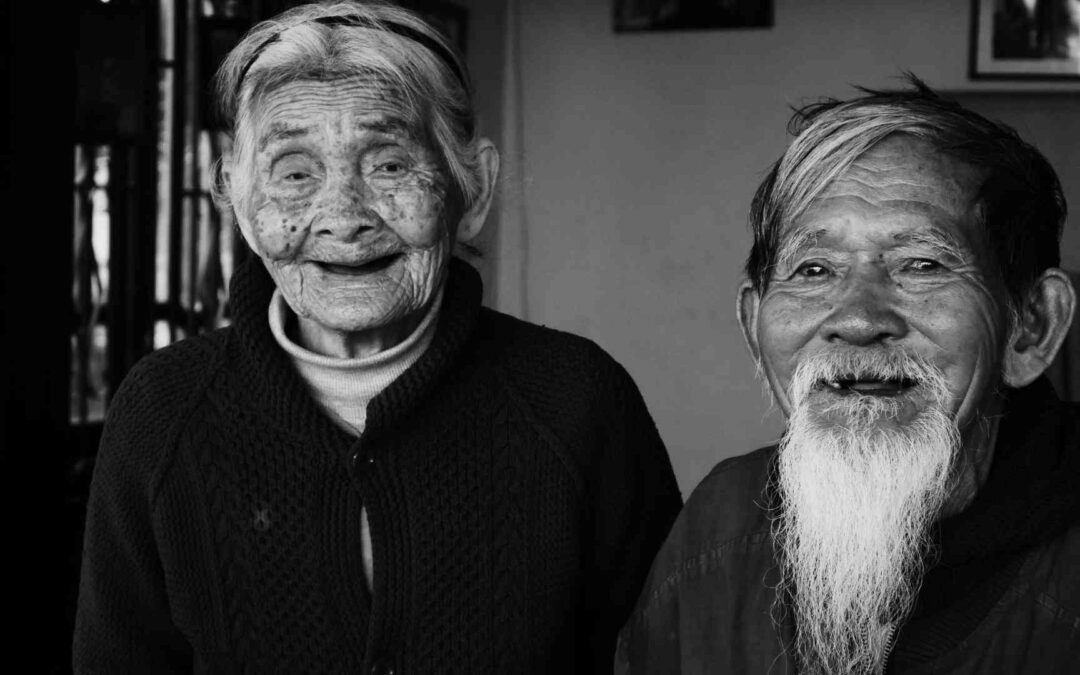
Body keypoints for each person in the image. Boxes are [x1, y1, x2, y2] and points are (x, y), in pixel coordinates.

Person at [72, 2, 682, 672]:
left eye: (388, 164)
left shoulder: (577, 401)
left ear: (471, 187)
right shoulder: (163, 411)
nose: (344, 218)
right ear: (238, 199)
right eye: (296, 173)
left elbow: (659, 655)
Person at [616, 76, 1080, 674]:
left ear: (1032, 325)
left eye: (921, 263)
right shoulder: (721, 522)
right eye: (813, 269)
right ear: (754, 325)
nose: (859, 319)